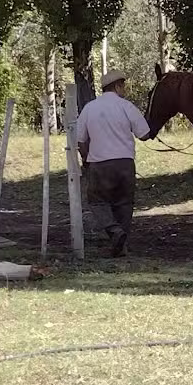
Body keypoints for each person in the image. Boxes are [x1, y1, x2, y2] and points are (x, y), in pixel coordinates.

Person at [77, 69, 151, 257]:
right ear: (117, 86)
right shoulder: (126, 106)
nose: (124, 89)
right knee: (124, 203)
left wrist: (86, 159)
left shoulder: (89, 108)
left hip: (100, 163)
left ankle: (114, 232)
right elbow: (144, 134)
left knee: (98, 202)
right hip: (125, 163)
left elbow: (80, 140)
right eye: (123, 85)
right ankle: (121, 244)